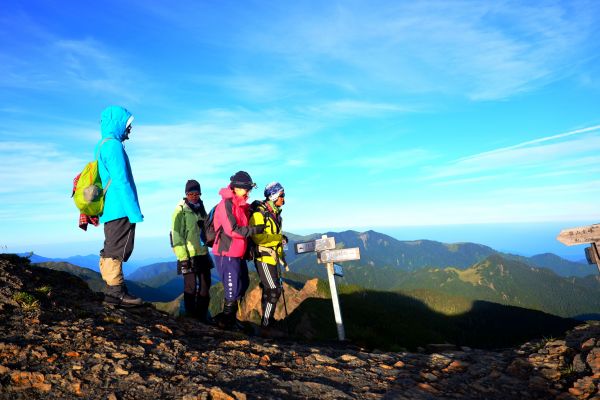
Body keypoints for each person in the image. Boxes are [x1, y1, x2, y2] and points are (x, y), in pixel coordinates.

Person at [96, 105, 144, 307]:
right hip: (119, 207)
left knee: (112, 246)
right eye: (127, 124)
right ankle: (115, 292)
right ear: (118, 124)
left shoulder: (103, 144)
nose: (130, 129)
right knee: (117, 248)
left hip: (111, 208)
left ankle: (115, 289)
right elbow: (121, 181)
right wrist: (134, 212)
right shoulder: (113, 146)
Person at [212, 171, 265, 329]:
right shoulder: (226, 204)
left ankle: (229, 318)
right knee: (232, 286)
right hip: (226, 252)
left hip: (238, 253)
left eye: (249, 189)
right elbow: (232, 230)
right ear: (236, 188)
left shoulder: (240, 204)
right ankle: (226, 322)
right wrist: (254, 230)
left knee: (243, 283)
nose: (248, 191)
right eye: (246, 188)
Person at [170, 180, 213, 322]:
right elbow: (176, 235)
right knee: (191, 287)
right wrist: (183, 258)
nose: (194, 196)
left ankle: (201, 316)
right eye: (191, 193)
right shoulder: (180, 210)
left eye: (197, 193)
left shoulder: (201, 207)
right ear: (186, 194)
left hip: (203, 253)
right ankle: (190, 317)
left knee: (205, 286)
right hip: (188, 255)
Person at [249, 182, 288, 334]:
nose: (284, 199)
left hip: (272, 257)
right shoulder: (259, 213)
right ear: (274, 196)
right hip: (263, 257)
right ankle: (266, 325)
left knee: (269, 290)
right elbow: (257, 237)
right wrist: (279, 238)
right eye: (282, 196)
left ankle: (267, 321)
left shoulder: (275, 214)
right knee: (274, 290)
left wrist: (281, 256)